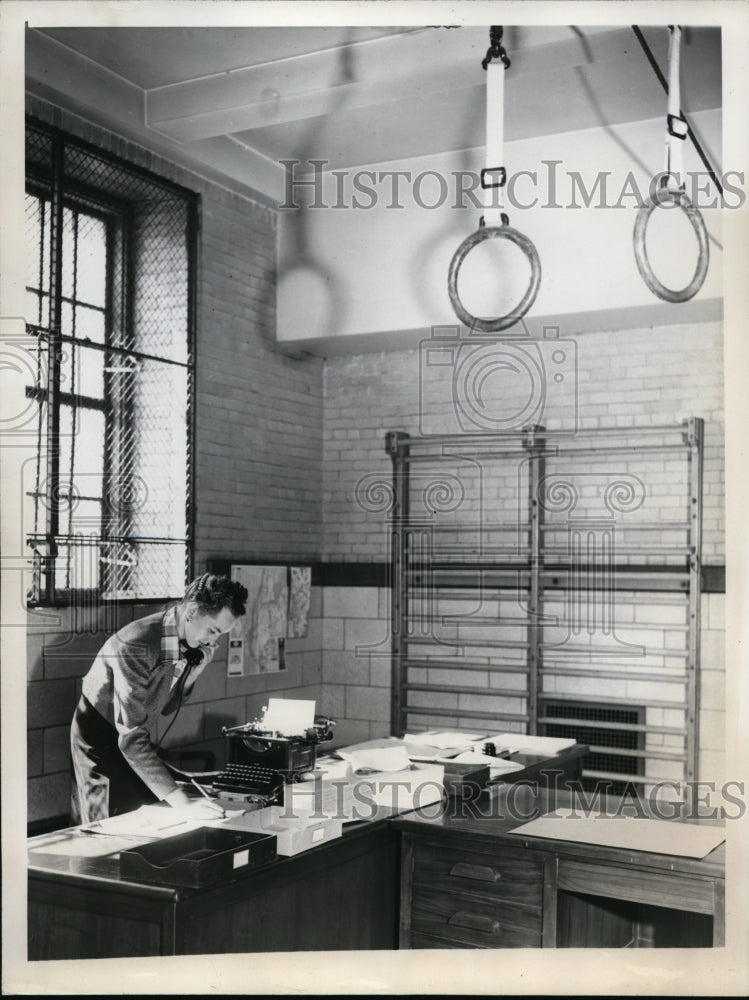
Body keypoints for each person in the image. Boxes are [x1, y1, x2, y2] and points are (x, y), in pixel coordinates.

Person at [70, 572, 248, 824]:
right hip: (98, 737)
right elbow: (131, 739)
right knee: (102, 822)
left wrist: (190, 677)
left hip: (131, 735)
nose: (213, 642)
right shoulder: (136, 645)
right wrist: (184, 805)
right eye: (213, 630)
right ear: (192, 611)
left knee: (145, 812)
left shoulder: (180, 636)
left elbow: (164, 708)